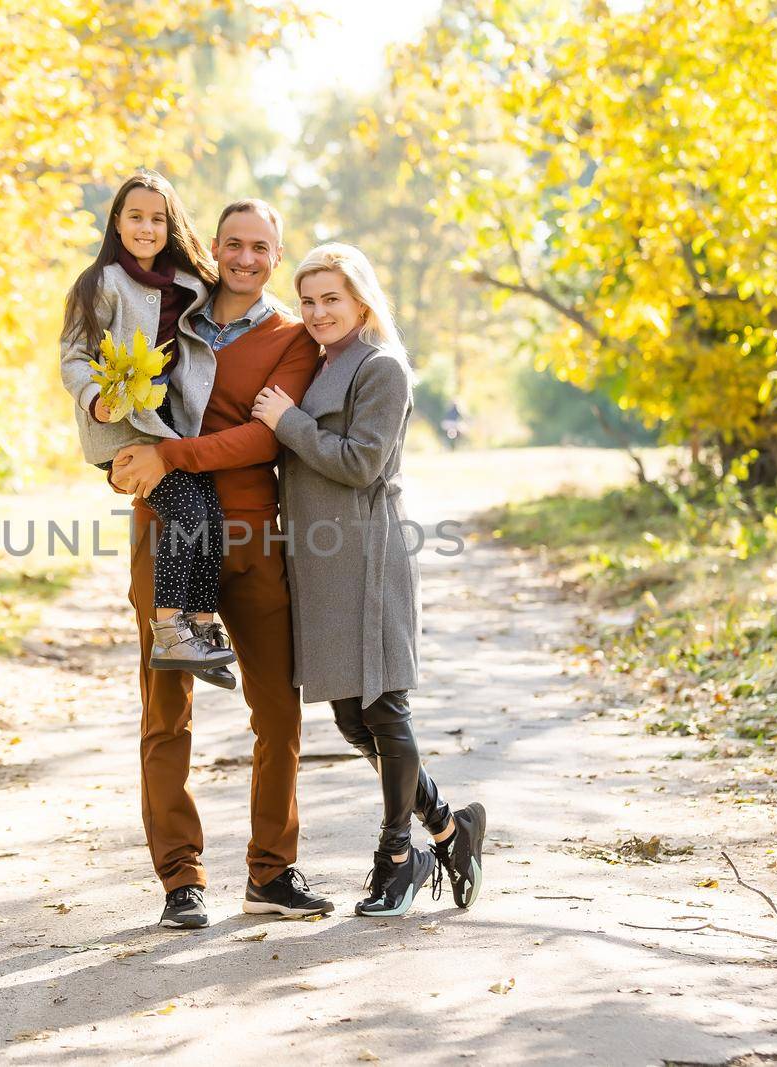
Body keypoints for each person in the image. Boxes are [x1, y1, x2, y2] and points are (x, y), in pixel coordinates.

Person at [109, 199, 332, 929]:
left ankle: (271, 871)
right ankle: (180, 879)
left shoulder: (294, 339)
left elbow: (263, 442)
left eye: (259, 247)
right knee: (166, 711)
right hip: (167, 532)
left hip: (252, 537)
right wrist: (121, 460)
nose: (243, 257)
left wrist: (168, 453)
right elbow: (117, 399)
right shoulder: (170, 318)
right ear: (213, 246)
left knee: (277, 712)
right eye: (232, 243)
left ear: (276, 253)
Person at [251, 243, 486, 917]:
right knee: (352, 715)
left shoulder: (381, 367)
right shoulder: (314, 362)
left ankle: (395, 856)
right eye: (309, 300)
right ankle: (448, 826)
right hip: (319, 561)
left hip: (367, 557)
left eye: (332, 298)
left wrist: (286, 421)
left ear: (360, 301)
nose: (318, 311)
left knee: (384, 708)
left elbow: (360, 463)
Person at [60, 171, 236, 684]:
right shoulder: (100, 283)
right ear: (117, 223)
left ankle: (201, 625)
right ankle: (169, 629)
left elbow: (233, 293)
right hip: (117, 426)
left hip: (165, 426)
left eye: (157, 219)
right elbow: (73, 357)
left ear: (170, 226)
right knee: (184, 509)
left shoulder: (188, 284)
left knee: (208, 509)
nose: (146, 227)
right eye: (135, 217)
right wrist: (96, 400)